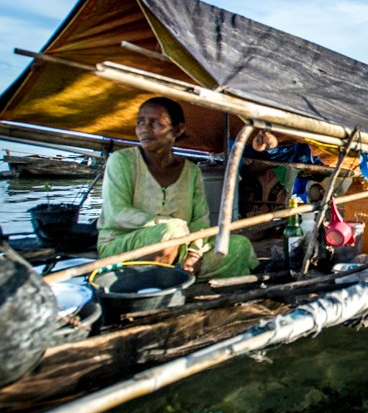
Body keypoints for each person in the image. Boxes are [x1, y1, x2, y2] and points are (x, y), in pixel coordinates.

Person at [97, 97, 257, 279]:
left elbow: (200, 220)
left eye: (155, 123)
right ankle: (157, 283)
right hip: (124, 247)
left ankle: (181, 272)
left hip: (180, 247)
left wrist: (194, 254)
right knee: (169, 233)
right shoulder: (121, 161)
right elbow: (116, 213)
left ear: (177, 129)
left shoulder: (191, 171)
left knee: (239, 246)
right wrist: (171, 225)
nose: (144, 129)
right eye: (140, 122)